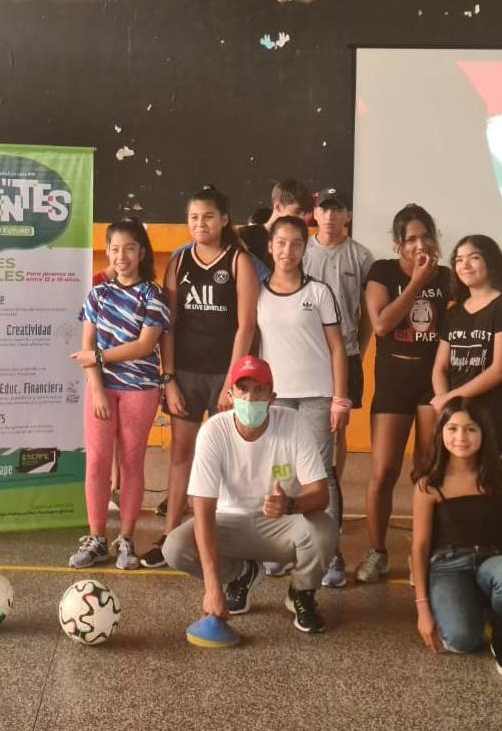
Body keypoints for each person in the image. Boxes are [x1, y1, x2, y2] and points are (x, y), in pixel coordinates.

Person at [164, 356, 335, 647]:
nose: (250, 398)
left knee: (324, 531)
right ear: (230, 394)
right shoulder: (213, 432)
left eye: (259, 390)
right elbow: (203, 511)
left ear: (272, 397)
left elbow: (321, 493)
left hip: (280, 524)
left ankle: (301, 593)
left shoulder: (294, 424)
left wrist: (291, 505)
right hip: (228, 523)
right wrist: (213, 588)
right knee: (175, 547)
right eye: (242, 389)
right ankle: (243, 573)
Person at [140, 187, 261, 569]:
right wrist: (169, 378)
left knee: (231, 459)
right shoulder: (179, 262)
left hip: (225, 375)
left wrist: (231, 383)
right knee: (181, 454)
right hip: (187, 375)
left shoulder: (240, 261)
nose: (200, 223)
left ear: (224, 219)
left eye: (208, 216)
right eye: (193, 217)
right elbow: (169, 324)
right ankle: (169, 535)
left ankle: (232, 539)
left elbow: (246, 327)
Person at [357, 204, 452, 583]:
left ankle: (423, 551)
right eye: (411, 239)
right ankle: (377, 551)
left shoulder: (447, 277)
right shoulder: (383, 271)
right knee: (383, 471)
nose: (420, 245)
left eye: (426, 236)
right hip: (393, 383)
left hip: (431, 384)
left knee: (427, 469)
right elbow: (381, 324)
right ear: (398, 243)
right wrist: (416, 282)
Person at [68, 218, 170, 569]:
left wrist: (98, 357)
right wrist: (97, 388)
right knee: (97, 463)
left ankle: (126, 538)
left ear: (142, 252)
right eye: (114, 249)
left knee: (131, 463)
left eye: (129, 249)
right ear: (108, 252)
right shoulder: (98, 294)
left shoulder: (154, 295)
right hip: (102, 389)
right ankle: (97, 538)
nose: (121, 256)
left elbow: (144, 346)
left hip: (140, 389)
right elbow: (86, 345)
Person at [411, 399, 502, 678]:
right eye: (453, 428)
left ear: (483, 433)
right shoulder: (428, 483)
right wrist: (422, 608)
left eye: (471, 429)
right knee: (461, 640)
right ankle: (473, 604)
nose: (461, 437)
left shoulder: (499, 473)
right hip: (448, 567)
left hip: (493, 559)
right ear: (441, 433)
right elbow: (419, 547)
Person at [255, 216, 350, 582]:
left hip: (317, 397)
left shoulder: (319, 292)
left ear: (304, 249)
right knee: (281, 471)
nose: (288, 251)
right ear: (270, 246)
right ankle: (282, 549)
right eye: (281, 243)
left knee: (320, 473)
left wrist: (339, 399)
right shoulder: (258, 293)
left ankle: (331, 553)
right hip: (276, 399)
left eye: (296, 244)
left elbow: (337, 348)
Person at [302, 186, 375, 587]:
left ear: (347, 215)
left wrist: (357, 351)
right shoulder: (300, 251)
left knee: (334, 431)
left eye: (337, 210)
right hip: (303, 356)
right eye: (324, 209)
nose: (330, 217)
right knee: (296, 431)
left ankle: (327, 493)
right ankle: (302, 504)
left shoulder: (361, 257)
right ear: (315, 214)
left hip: (343, 355)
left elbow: (367, 312)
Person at [431, 234, 502, 452]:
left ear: (491, 261)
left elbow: (500, 370)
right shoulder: (454, 312)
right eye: (459, 260)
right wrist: (446, 404)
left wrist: (449, 397)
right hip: (455, 412)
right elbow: (440, 368)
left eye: (474, 258)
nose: (465, 265)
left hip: (490, 412)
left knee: (483, 471)